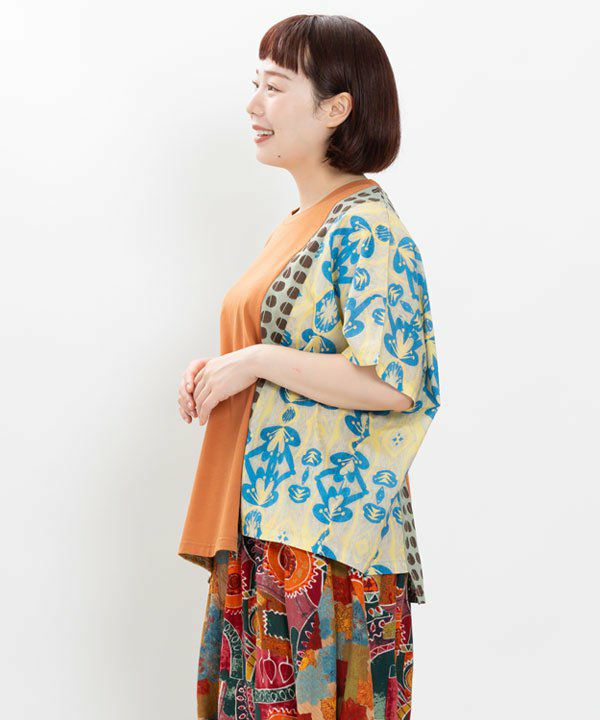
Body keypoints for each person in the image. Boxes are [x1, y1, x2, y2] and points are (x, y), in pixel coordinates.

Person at [176, 14, 442, 720]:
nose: (253, 104)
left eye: (274, 87)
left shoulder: (367, 226)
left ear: (336, 108)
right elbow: (294, 354)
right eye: (255, 84)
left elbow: (394, 380)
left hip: (326, 546)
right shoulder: (305, 220)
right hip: (270, 527)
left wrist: (256, 359)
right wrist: (225, 369)